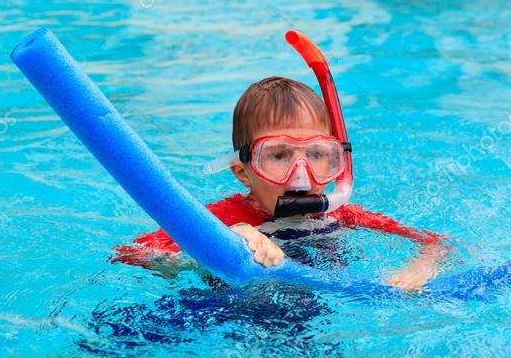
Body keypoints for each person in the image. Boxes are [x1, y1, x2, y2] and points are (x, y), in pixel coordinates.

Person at [113, 32, 449, 291]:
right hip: (224, 311)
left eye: (317, 155)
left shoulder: (342, 215)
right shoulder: (226, 218)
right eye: (278, 156)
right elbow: (130, 253)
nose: (299, 175)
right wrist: (230, 240)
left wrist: (416, 271)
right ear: (243, 171)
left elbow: (438, 242)